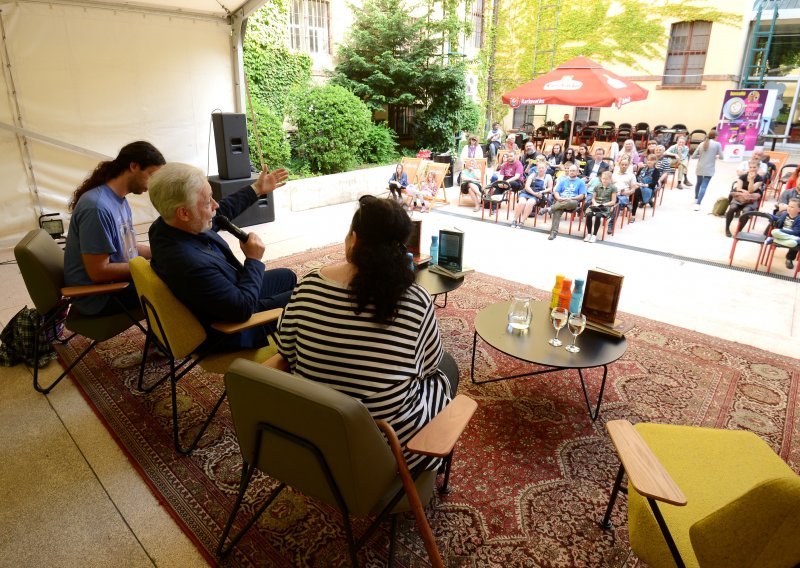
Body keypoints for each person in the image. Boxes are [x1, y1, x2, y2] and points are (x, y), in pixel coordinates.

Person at [265, 196, 458, 470]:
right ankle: (429, 472)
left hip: (315, 437)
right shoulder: (415, 299)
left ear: (354, 239)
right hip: (388, 452)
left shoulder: (309, 285)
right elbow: (428, 368)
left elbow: (287, 351)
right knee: (447, 367)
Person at [147, 162, 296, 351]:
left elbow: (220, 213)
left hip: (223, 296)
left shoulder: (165, 227)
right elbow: (242, 309)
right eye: (208, 201)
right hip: (232, 329)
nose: (215, 205)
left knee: (287, 276)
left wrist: (257, 189)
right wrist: (253, 261)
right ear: (184, 212)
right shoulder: (189, 263)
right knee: (306, 298)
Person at [64, 141, 166, 316]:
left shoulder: (119, 200)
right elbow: (98, 272)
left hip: (114, 286)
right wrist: (152, 267)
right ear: (134, 166)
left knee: (177, 273)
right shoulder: (96, 208)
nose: (152, 185)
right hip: (100, 297)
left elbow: (129, 247)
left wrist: (162, 254)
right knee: (175, 287)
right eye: (151, 175)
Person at [725, 160, 765, 237]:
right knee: (732, 208)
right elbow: (738, 188)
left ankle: (738, 231)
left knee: (746, 211)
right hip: (740, 197)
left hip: (751, 199)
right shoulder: (743, 176)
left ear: (758, 168)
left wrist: (751, 180)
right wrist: (745, 192)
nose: (752, 169)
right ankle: (727, 228)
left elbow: (751, 190)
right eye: (750, 167)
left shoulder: (759, 179)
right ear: (748, 168)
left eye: (754, 167)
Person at [547, 164, 587, 240]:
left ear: (578, 172)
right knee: (557, 210)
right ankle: (553, 232)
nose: (571, 172)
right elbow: (556, 192)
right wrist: (558, 197)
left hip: (572, 201)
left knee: (569, 202)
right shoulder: (563, 181)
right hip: (561, 200)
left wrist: (572, 198)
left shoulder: (581, 182)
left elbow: (582, 196)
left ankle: (550, 209)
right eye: (570, 170)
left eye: (573, 171)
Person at [513, 162, 553, 228]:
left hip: (538, 194)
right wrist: (534, 193)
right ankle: (514, 220)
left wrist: (542, 191)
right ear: (537, 168)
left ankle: (522, 221)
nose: (541, 169)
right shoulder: (532, 175)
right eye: (539, 168)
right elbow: (527, 187)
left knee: (529, 203)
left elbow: (550, 188)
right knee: (522, 202)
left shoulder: (548, 177)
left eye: (543, 168)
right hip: (527, 192)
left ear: (546, 169)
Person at [691, 130, 724, 209]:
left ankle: (696, 198)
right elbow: (722, 157)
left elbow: (693, 156)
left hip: (700, 167)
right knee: (704, 186)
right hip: (709, 168)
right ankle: (698, 203)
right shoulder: (717, 144)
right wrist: (715, 156)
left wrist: (701, 156)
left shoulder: (701, 143)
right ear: (715, 136)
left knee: (698, 183)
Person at [584, 171, 617, 243]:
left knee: (598, 215)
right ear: (601, 178)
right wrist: (595, 203)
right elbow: (593, 198)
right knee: (589, 214)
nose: (604, 180)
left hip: (606, 206)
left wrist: (604, 205)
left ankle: (594, 235)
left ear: (610, 179)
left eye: (606, 179)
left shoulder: (613, 188)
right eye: (603, 178)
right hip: (596, 205)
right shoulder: (597, 186)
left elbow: (613, 201)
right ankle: (589, 233)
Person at [768, 198, 800, 269]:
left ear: (799, 210)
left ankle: (789, 259)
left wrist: (782, 231)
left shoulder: (799, 219)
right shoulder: (785, 214)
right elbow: (777, 218)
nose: (789, 208)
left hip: (791, 235)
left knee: (793, 244)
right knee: (775, 232)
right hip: (786, 236)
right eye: (788, 206)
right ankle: (795, 239)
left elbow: (796, 232)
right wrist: (768, 215)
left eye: (792, 207)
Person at [631, 153, 663, 218]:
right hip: (637, 186)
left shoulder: (656, 171)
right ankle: (629, 205)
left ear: (655, 161)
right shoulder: (641, 169)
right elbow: (636, 178)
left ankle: (633, 214)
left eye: (651, 160)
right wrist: (637, 184)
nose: (649, 161)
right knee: (631, 190)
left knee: (636, 191)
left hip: (648, 189)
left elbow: (653, 184)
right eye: (648, 160)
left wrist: (643, 185)